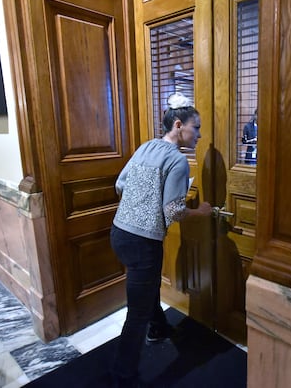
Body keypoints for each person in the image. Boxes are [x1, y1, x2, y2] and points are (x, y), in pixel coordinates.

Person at [109, 92, 212, 387]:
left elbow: (121, 183)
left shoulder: (146, 147)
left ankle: (158, 327)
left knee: (148, 285)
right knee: (136, 312)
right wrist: (200, 211)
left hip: (119, 233)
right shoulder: (179, 163)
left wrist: (140, 202)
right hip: (142, 243)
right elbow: (174, 211)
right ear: (178, 125)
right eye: (197, 128)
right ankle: (123, 375)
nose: (199, 135)